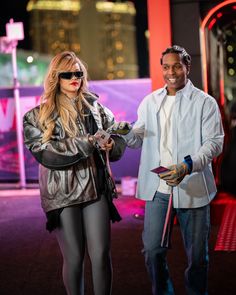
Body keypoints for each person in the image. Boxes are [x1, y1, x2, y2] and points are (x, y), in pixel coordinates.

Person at [108, 45, 224, 295]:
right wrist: (127, 130)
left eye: (177, 66)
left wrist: (187, 165)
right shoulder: (150, 101)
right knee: (151, 251)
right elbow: (138, 138)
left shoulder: (205, 103)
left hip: (193, 188)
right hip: (159, 189)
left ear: (187, 67)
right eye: (166, 67)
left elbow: (214, 143)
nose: (171, 72)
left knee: (197, 258)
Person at [23, 51, 126, 295]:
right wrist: (88, 142)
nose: (74, 78)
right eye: (67, 74)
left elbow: (118, 139)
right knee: (75, 258)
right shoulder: (37, 116)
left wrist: (113, 145)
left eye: (78, 73)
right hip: (61, 193)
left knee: (100, 255)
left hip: (96, 187)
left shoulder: (97, 108)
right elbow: (46, 153)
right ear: (56, 77)